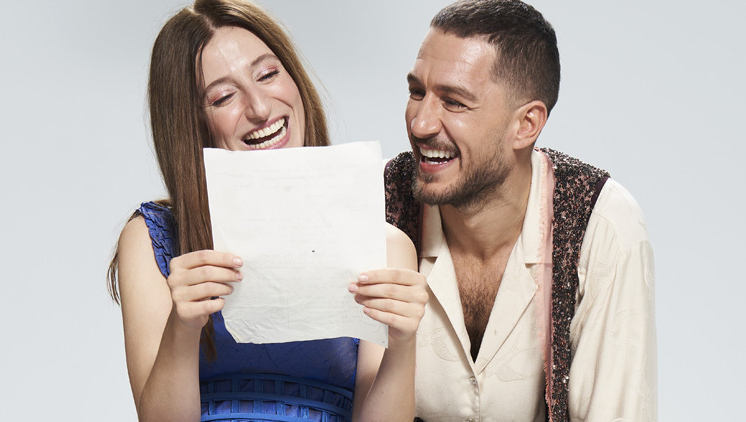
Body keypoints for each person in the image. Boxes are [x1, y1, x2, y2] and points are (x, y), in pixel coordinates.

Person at [107, 1, 427, 421]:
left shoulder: (384, 246)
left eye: (268, 74)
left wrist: (403, 343)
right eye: (223, 97)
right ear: (189, 123)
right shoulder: (153, 238)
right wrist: (183, 329)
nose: (259, 108)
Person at [383, 0, 657, 420]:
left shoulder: (599, 223)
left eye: (453, 102)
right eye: (417, 92)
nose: (420, 124)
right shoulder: (375, 205)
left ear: (526, 125)